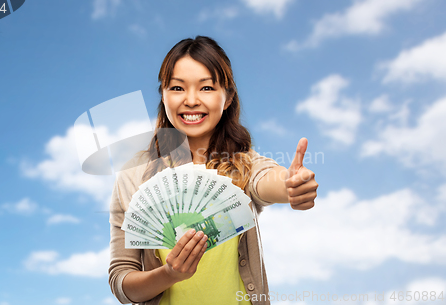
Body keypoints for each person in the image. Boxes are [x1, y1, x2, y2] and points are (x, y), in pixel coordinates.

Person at [108, 35, 318, 305]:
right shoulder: (133, 175)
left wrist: (290, 186)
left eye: (206, 88)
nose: (192, 100)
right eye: (177, 88)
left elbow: (265, 180)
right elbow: (122, 283)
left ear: (228, 97)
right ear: (163, 94)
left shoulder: (243, 163)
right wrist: (169, 274)